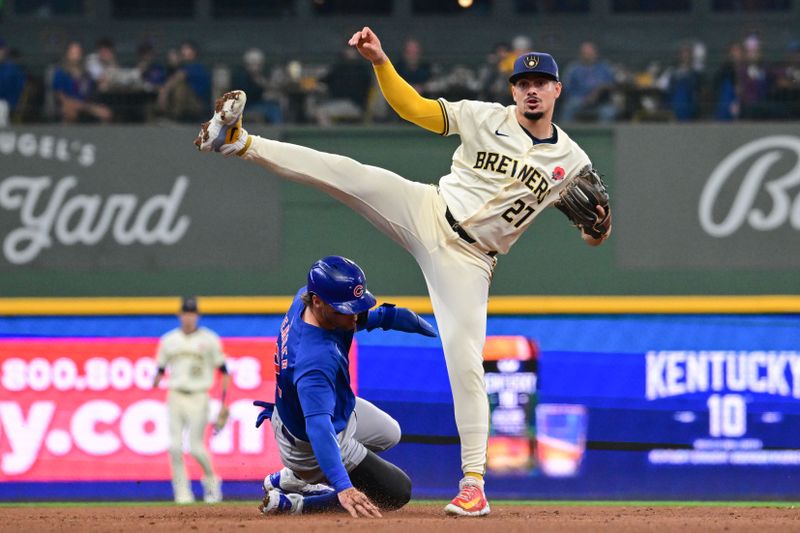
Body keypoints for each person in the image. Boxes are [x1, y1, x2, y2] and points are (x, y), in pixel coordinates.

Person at [195, 25, 611, 517]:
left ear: (557, 90)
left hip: (471, 259)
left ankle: (473, 484)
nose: (532, 89)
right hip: (429, 209)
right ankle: (237, 141)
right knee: (346, 172)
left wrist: (599, 229)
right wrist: (380, 62)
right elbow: (414, 108)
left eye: (541, 82)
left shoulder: (573, 161)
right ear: (512, 90)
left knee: (465, 361)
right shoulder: (483, 118)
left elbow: (591, 231)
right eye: (523, 83)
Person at [253, 256, 435, 517]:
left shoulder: (306, 298)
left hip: (320, 411)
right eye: (345, 309)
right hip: (310, 442)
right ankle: (299, 503)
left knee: (390, 433)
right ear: (317, 301)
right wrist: (343, 486)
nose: (354, 316)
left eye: (357, 306)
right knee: (396, 492)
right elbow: (319, 428)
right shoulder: (316, 359)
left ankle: (291, 478)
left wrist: (390, 316)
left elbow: (355, 317)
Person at [152, 296, 229, 504]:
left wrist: (224, 402)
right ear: (180, 315)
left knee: (195, 447)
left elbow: (224, 370)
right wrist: (156, 379)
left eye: (192, 313)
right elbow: (159, 368)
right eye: (185, 313)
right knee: (174, 447)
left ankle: (212, 483)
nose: (188, 317)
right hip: (176, 394)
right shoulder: (169, 340)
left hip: (199, 396)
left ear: (197, 316)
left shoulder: (209, 339)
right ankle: (182, 493)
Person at [560, 41, 618, 123]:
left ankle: (600, 135)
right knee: (569, 107)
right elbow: (566, 89)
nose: (587, 56)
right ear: (580, 54)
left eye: (590, 53)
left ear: (596, 53)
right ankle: (565, 135)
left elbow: (613, 85)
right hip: (578, 100)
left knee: (609, 112)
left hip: (600, 102)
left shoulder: (604, 68)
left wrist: (599, 90)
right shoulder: (573, 69)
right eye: (585, 53)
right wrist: (584, 99)